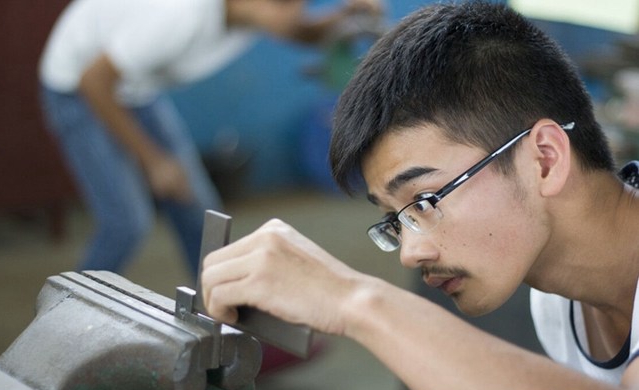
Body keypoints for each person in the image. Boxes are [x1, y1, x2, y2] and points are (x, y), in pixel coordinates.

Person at [200, 1, 639, 388]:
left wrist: (355, 301)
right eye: (397, 219)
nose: (410, 253)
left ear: (544, 159)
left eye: (425, 200)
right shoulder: (557, 302)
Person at [39, 0, 381, 276]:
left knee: (201, 214)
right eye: (284, 3)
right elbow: (94, 81)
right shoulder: (179, 15)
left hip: (134, 86)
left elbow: (295, 29)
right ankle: (60, 323)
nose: (294, 12)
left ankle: (219, 325)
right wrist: (154, 161)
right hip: (77, 86)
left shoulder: (250, 10)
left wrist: (344, 16)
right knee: (126, 222)